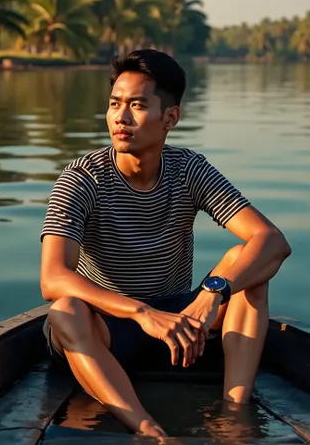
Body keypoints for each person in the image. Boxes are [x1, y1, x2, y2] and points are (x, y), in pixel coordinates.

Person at [40, 49, 292, 437]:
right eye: (114, 105)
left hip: (182, 322)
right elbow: (52, 278)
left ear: (170, 118)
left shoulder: (188, 169)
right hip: (109, 328)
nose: (121, 118)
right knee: (65, 310)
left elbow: (272, 241)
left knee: (248, 263)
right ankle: (148, 429)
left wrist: (212, 295)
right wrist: (141, 313)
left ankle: (234, 415)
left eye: (137, 106)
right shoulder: (82, 178)